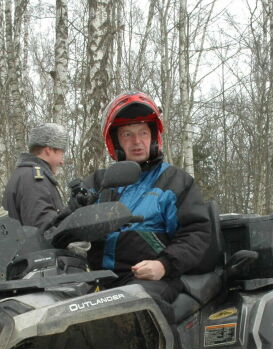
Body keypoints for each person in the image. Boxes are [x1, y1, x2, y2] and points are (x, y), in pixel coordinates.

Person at [80, 91, 210, 304]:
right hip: (99, 278)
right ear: (116, 142)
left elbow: (196, 233)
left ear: (153, 137)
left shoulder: (174, 182)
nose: (137, 141)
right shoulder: (99, 183)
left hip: (152, 279)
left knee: (133, 306)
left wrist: (164, 265)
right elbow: (68, 221)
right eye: (127, 134)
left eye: (143, 132)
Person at [4, 123, 67, 232]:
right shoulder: (34, 179)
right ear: (48, 150)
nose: (62, 161)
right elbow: (42, 227)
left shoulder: (24, 174)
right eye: (61, 154)